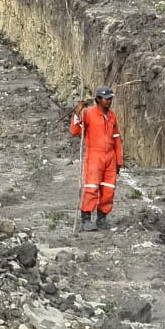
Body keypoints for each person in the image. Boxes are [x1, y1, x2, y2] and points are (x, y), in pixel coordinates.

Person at [70, 85, 123, 232]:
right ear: (98, 99)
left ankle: (102, 219)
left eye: (110, 98)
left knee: (108, 189)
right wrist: (77, 113)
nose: (108, 101)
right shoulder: (88, 114)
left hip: (110, 158)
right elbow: (74, 131)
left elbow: (116, 139)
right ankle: (86, 219)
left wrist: (119, 160)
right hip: (94, 156)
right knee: (91, 188)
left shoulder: (112, 116)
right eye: (106, 99)